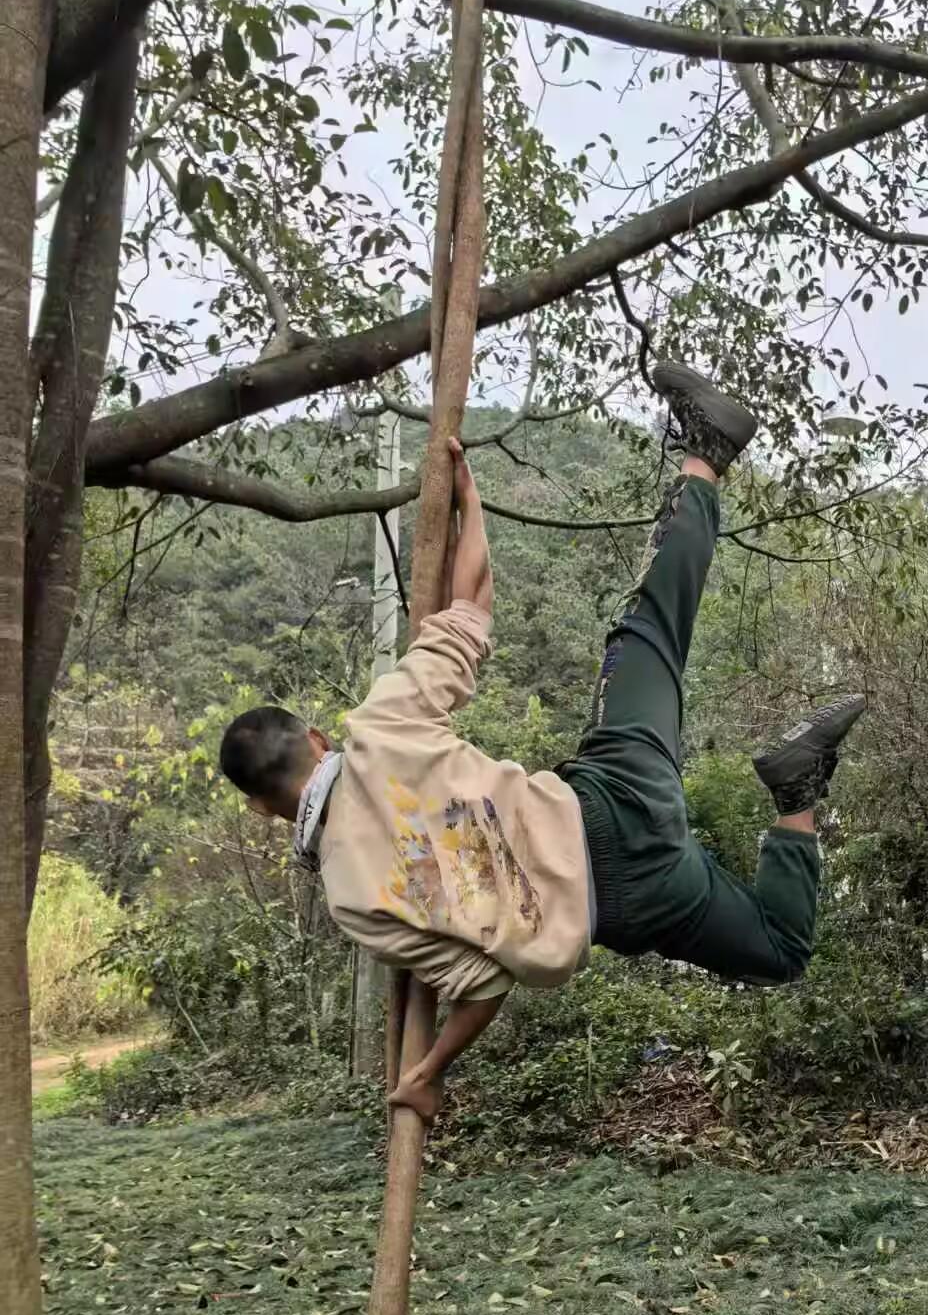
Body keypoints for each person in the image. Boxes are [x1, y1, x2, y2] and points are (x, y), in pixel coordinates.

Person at [218, 362, 866, 1119]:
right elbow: (471, 608)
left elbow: (483, 985)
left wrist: (427, 1073)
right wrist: (468, 504)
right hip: (611, 792)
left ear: (261, 808)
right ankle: (706, 458)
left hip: (631, 901)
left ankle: (796, 795)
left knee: (779, 951)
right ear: (316, 738)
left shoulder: (352, 897)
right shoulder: (380, 725)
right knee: (649, 632)